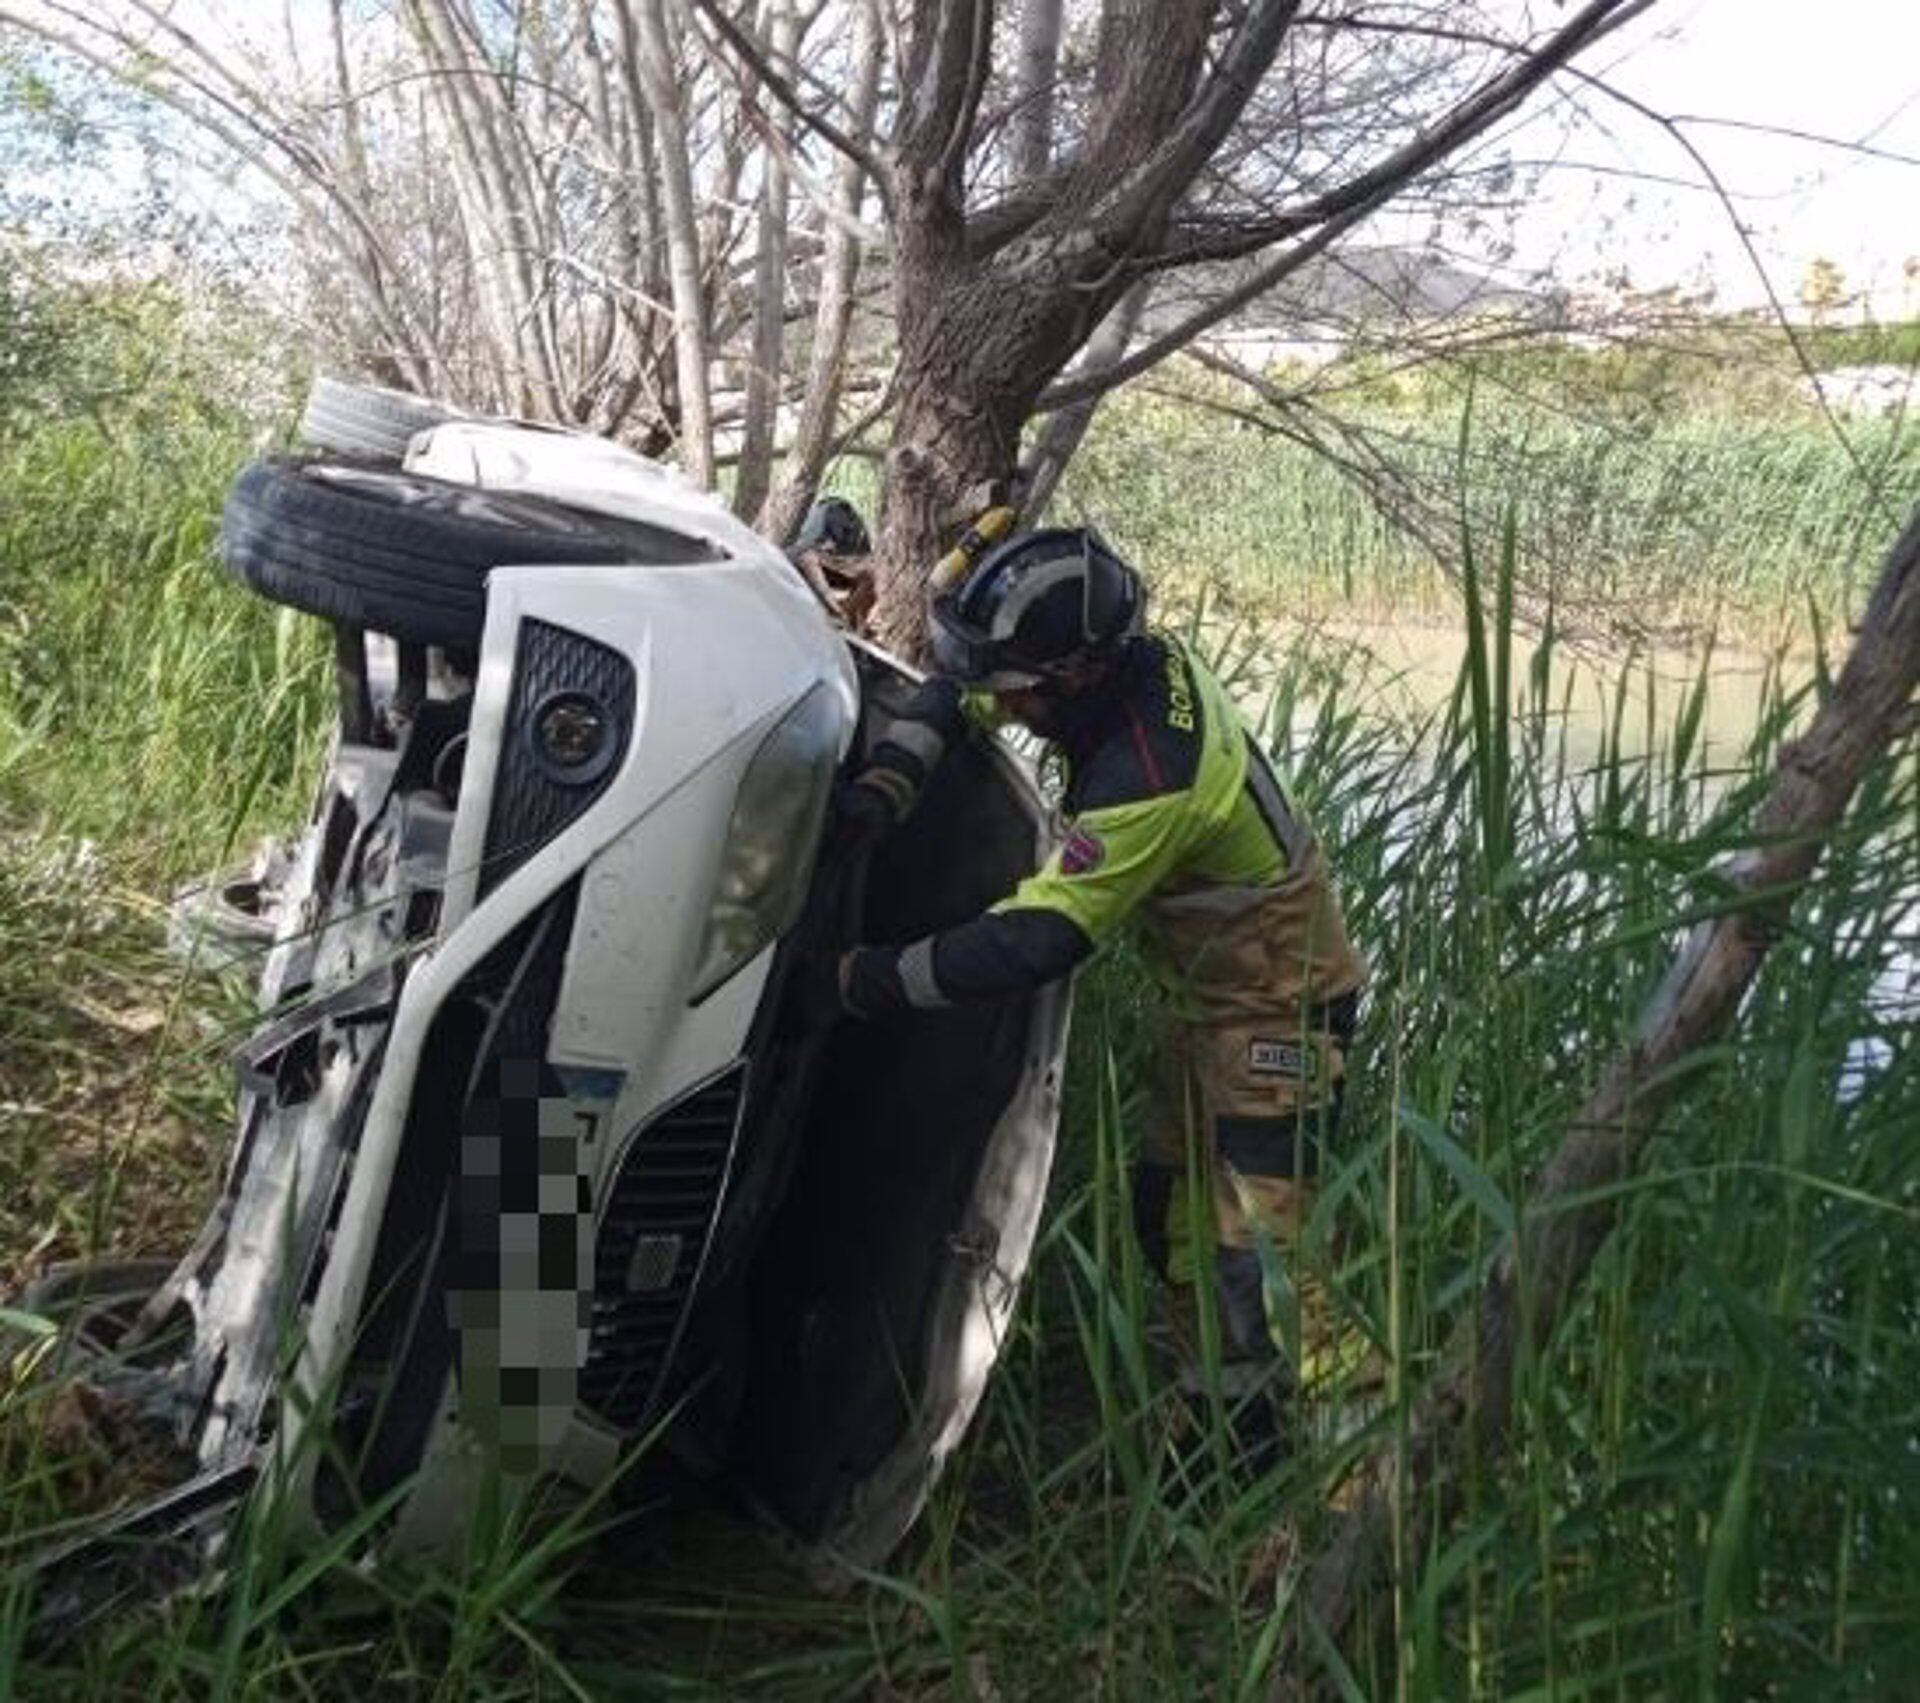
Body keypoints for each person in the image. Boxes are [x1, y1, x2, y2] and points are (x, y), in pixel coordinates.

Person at [835, 526, 1373, 1469]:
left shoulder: (1150, 774)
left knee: (1273, 1260)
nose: (1002, 702)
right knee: (1169, 1218)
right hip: (1210, 1010)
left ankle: (1370, 1485)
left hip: (1280, 1018)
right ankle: (1226, 1441)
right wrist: (892, 776)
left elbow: (1041, 936)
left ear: (1071, 678)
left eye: (1016, 691)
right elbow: (957, 692)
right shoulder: (1113, 666)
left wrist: (866, 980)